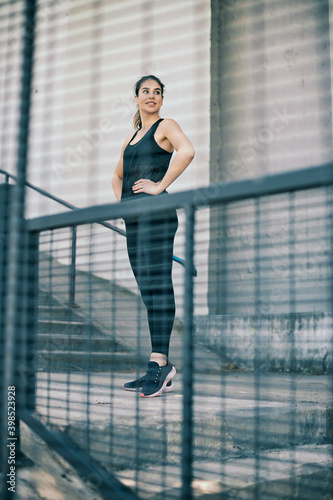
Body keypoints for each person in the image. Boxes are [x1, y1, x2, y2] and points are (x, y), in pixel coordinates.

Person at [112, 75, 195, 398]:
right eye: (145, 91)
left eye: (157, 92)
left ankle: (159, 361)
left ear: (161, 100)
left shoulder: (166, 126)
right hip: (136, 221)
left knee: (158, 285)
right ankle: (157, 364)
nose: (151, 96)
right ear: (136, 98)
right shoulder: (132, 137)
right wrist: (125, 209)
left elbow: (187, 151)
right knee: (148, 289)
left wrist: (159, 188)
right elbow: (117, 176)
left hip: (157, 217)